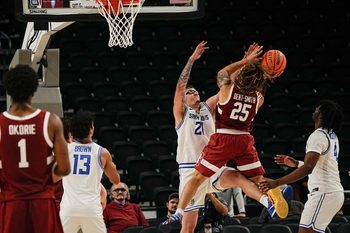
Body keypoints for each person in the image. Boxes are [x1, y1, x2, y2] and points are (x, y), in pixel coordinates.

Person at [161, 42, 290, 232]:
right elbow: (181, 87)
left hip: (215, 162)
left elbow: (228, 86)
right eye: (189, 92)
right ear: (184, 101)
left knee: (238, 177)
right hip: (191, 168)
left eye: (195, 90)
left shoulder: (208, 107)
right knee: (188, 227)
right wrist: (191, 60)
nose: (192, 92)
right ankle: (177, 216)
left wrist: (246, 63)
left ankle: (268, 202)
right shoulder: (181, 114)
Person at [0, 64, 70, 233]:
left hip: (12, 203)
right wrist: (44, 174)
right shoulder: (51, 121)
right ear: (34, 90)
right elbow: (65, 168)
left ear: (8, 91)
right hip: (42, 202)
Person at [259, 99, 345, 233]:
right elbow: (320, 165)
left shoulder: (317, 136)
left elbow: (309, 168)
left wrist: (276, 182)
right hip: (334, 193)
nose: (314, 110)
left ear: (321, 114)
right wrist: (297, 163)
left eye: (317, 109)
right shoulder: (332, 136)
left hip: (324, 193)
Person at [59, 110, 120, 233]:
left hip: (68, 209)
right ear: (91, 129)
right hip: (91, 208)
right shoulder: (102, 153)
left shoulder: (64, 150)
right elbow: (116, 180)